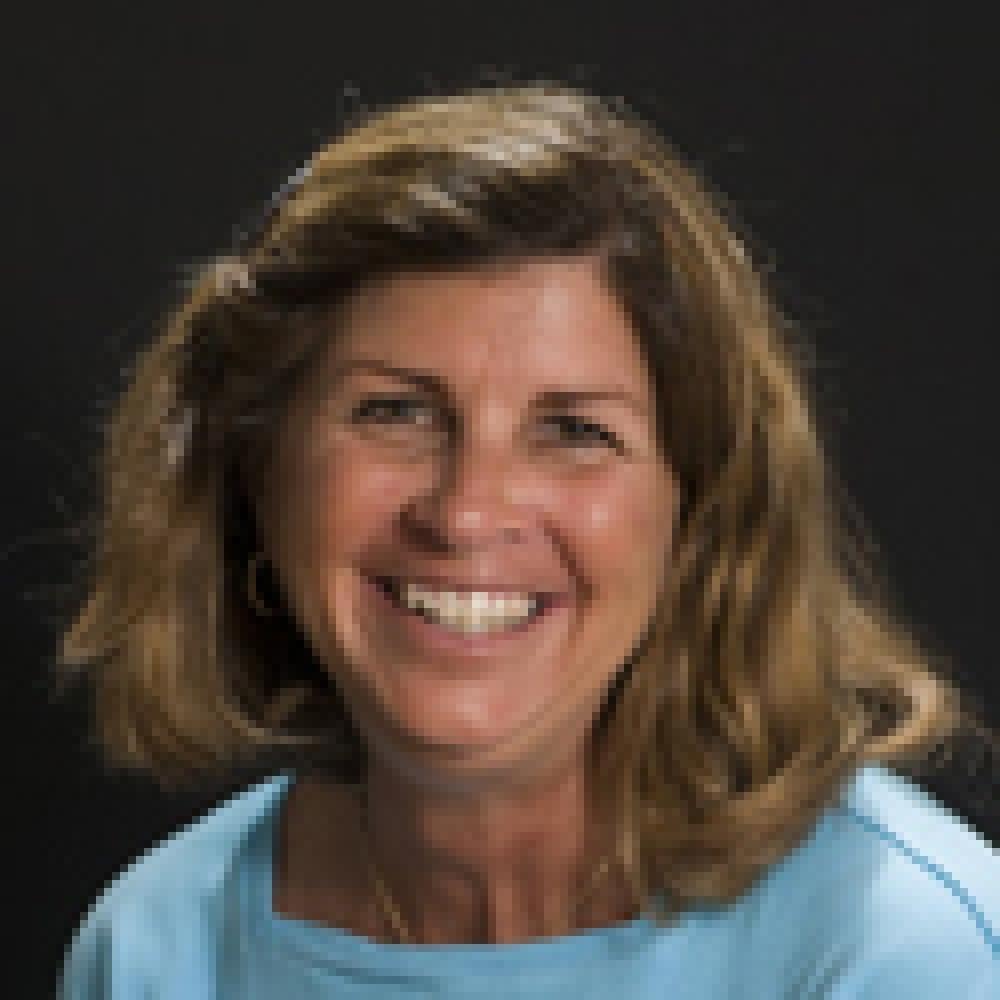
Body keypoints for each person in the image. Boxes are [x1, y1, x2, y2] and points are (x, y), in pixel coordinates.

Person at [54, 82, 998, 998]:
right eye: (395, 412)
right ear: (259, 470)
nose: (467, 512)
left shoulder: (910, 954)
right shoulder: (155, 951)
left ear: (701, 514)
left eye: (576, 431)